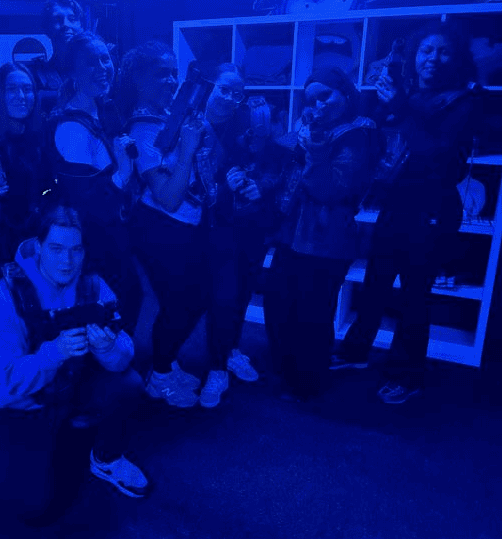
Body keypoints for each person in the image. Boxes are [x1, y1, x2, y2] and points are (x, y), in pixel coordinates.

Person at [330, 21, 480, 404]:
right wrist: (383, 105)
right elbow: (380, 132)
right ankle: (355, 351)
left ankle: (407, 375)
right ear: (415, 56)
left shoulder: (464, 100)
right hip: (397, 204)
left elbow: (437, 156)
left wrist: (399, 107)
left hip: (432, 210)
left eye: (443, 51)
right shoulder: (409, 93)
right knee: (375, 284)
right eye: (426, 50)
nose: (433, 58)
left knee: (414, 297)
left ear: (457, 59)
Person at [0, 204, 149, 525]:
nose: (67, 261)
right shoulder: (3, 297)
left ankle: (105, 458)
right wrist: (53, 353)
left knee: (129, 384)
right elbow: (5, 384)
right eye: (56, 249)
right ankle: (64, 436)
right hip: (26, 404)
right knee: (32, 509)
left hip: (74, 388)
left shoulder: (93, 286)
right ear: (38, 247)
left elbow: (125, 352)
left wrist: (108, 348)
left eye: (76, 250)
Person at [266, 67, 377, 402]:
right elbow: (283, 158)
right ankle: (287, 371)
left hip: (326, 240)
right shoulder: (314, 128)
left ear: (345, 93)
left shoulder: (359, 133)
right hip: (292, 234)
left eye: (325, 95)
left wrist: (313, 149)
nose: (318, 104)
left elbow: (330, 189)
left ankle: (307, 383)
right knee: (279, 304)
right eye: (311, 99)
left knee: (312, 315)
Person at [119, 41, 217, 408]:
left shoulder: (168, 115)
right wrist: (189, 147)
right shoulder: (142, 129)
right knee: (182, 303)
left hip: (185, 225)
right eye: (162, 73)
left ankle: (166, 361)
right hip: (158, 227)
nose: (172, 80)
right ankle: (158, 376)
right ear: (139, 79)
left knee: (194, 298)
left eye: (174, 72)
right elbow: (169, 197)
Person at [50, 31, 142, 339]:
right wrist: (123, 173)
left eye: (105, 59)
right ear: (72, 72)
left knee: (129, 299)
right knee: (107, 314)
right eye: (91, 62)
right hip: (92, 244)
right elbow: (89, 207)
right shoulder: (71, 129)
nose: (103, 67)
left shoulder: (104, 108)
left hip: (114, 233)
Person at [207, 64, 291, 389]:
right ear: (210, 85)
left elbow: (272, 162)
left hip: (249, 224)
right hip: (212, 225)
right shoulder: (192, 120)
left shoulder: (249, 118)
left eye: (237, 93)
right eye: (224, 89)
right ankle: (215, 363)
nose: (230, 97)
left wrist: (260, 187)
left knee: (242, 292)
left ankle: (230, 350)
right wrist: (225, 187)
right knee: (221, 296)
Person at [0, 61, 54, 266]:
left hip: (44, 242)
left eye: (27, 89)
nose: (21, 96)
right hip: (9, 250)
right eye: (12, 89)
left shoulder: (40, 139)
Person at [27, 0, 85, 115]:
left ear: (81, 26)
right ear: (46, 28)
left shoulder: (97, 69)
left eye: (72, 19)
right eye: (57, 19)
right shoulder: (35, 76)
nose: (65, 24)